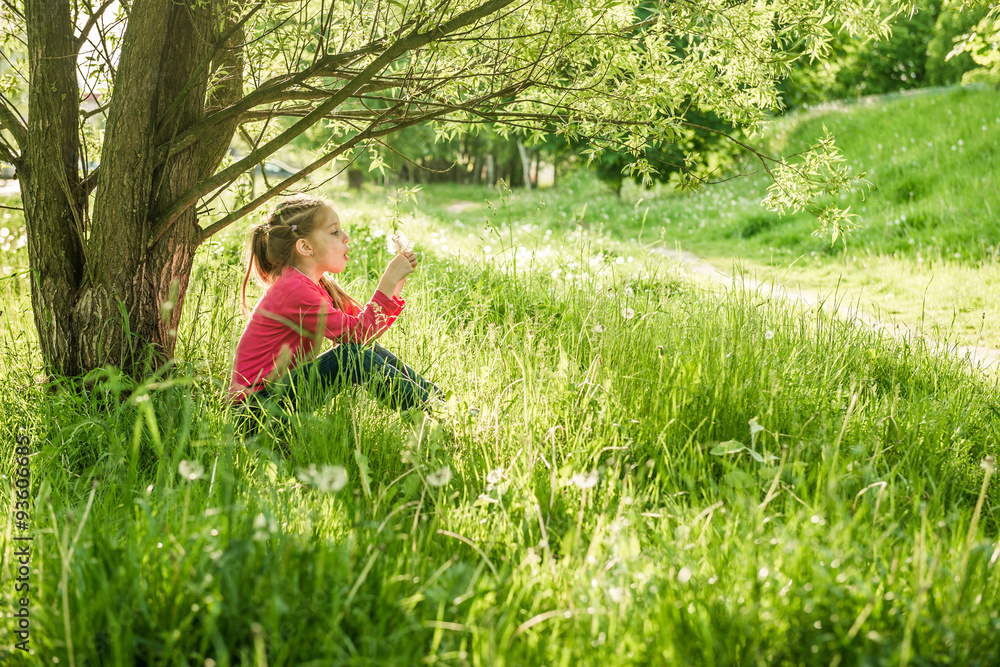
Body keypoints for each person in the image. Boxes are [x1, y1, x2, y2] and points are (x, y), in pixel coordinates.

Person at [228, 194, 443, 435]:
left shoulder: (312, 284)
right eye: (334, 232)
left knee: (364, 350)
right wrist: (388, 279)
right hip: (253, 413)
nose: (346, 237)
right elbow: (359, 333)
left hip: (271, 401)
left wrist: (395, 283)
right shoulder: (295, 290)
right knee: (352, 357)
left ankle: (441, 407)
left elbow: (364, 333)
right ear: (305, 247)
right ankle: (436, 413)